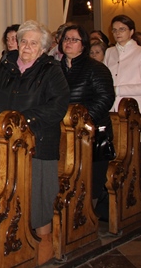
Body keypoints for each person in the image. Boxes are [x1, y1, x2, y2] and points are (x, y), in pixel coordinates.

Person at [0, 20, 69, 265]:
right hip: (4, 141)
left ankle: (44, 242)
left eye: (33, 43)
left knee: (39, 196)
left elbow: (57, 105)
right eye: (23, 41)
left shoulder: (51, 69)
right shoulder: (4, 66)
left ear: (43, 48)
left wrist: (21, 122)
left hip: (38, 143)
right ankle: (13, 241)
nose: (27, 47)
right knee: (8, 193)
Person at [58, 24, 115, 215]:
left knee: (91, 179)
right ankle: (69, 216)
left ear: (83, 45)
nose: (69, 42)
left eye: (74, 39)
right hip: (64, 131)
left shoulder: (96, 68)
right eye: (66, 39)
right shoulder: (55, 69)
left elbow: (105, 98)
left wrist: (82, 121)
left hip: (92, 133)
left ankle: (87, 216)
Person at [104, 15, 141, 143]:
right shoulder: (109, 52)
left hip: (134, 110)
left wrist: (118, 90)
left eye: (122, 29)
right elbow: (104, 79)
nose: (117, 33)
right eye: (114, 30)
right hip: (112, 109)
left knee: (133, 148)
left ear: (131, 31)